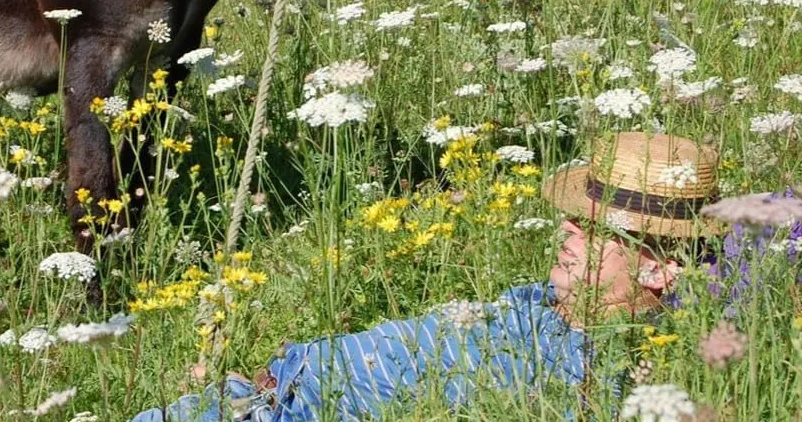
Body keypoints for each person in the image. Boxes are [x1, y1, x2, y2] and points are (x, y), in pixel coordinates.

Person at [129, 132, 725, 422]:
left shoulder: (600, 371)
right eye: (573, 219)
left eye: (598, 232)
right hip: (253, 396)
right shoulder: (536, 304)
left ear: (658, 268)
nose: (569, 233)